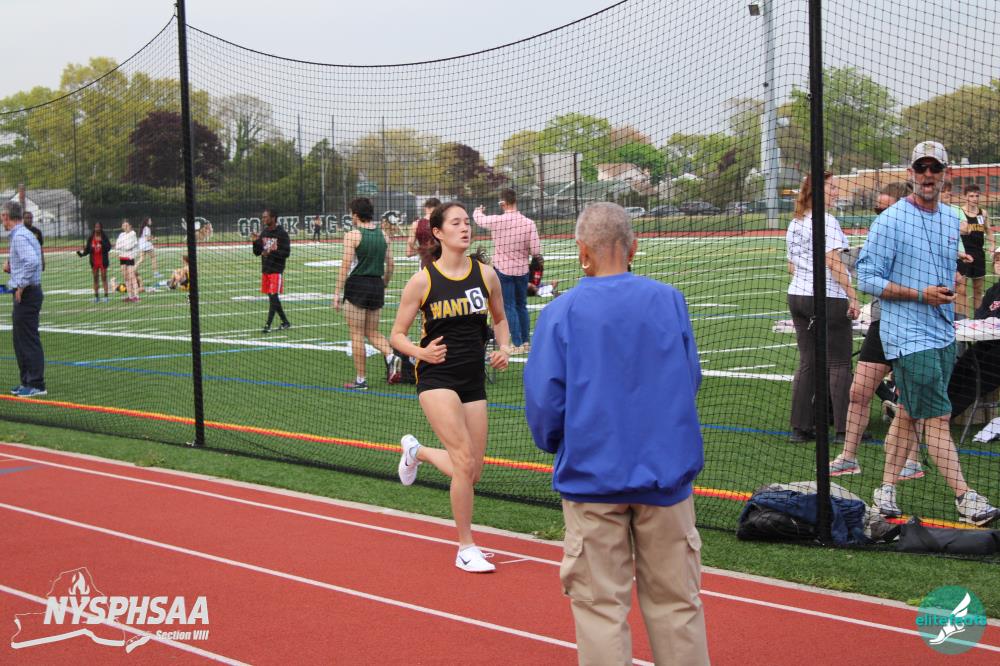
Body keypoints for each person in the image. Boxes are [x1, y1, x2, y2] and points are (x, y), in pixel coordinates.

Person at [524, 202, 709, 666]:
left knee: (600, 609)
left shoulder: (561, 312)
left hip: (592, 477)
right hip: (665, 476)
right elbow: (690, 378)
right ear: (633, 247)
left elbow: (546, 404)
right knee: (677, 606)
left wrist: (560, 443)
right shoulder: (668, 299)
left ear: (582, 251)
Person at [857, 140, 1000, 526]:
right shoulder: (890, 220)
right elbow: (867, 278)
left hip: (942, 331)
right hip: (906, 335)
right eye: (920, 167)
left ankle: (885, 490)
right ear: (911, 173)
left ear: (945, 174)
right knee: (937, 416)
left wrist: (954, 266)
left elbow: (941, 260)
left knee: (907, 412)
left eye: (934, 168)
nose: (927, 174)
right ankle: (965, 497)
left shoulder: (951, 217)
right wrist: (921, 294)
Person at [390, 201, 513, 573]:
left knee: (473, 472)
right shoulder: (423, 280)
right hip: (436, 377)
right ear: (438, 233)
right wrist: (421, 352)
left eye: (466, 222)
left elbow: (500, 319)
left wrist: (504, 348)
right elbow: (397, 335)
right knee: (462, 460)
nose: (464, 228)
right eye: (455, 223)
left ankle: (417, 452)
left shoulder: (486, 275)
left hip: (472, 378)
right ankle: (466, 547)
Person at [830, 182, 923, 479]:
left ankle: (913, 460)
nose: (879, 214)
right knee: (859, 391)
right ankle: (848, 457)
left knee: (910, 398)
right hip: (881, 321)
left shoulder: (919, 234)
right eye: (877, 209)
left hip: (912, 324)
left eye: (885, 208)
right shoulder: (878, 235)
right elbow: (859, 267)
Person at [785, 171, 860, 442]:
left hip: (798, 294)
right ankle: (845, 429)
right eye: (832, 187)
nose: (837, 192)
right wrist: (853, 295)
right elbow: (833, 261)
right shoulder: (827, 221)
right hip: (827, 296)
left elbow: (791, 265)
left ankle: (801, 427)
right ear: (818, 190)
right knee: (839, 361)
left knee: (808, 361)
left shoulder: (795, 222)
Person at [332, 197, 401, 389]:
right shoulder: (384, 235)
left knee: (356, 334)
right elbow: (391, 265)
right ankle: (391, 355)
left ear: (355, 215)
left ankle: (361, 380)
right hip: (376, 285)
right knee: (372, 331)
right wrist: (384, 284)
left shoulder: (353, 235)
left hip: (357, 286)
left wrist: (336, 293)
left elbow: (345, 266)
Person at [473, 189, 540, 354]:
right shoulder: (529, 223)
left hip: (503, 270)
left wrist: (478, 210)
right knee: (522, 306)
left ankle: (517, 344)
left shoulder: (498, 221)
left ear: (502, 203)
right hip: (522, 270)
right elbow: (536, 251)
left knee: (509, 307)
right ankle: (526, 342)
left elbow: (479, 220)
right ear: (515, 201)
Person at [948, 248, 1000, 419]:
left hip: (997, 350)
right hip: (987, 343)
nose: (999, 264)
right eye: (997, 260)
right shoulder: (993, 291)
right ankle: (933, 415)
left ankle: (944, 418)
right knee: (961, 367)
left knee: (975, 382)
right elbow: (979, 316)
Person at [2, 201, 46, 397]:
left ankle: (36, 384)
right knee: (20, 339)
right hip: (27, 293)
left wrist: (20, 284)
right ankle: (26, 381)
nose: (1, 220)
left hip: (27, 294)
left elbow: (33, 261)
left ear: (7, 217)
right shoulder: (23, 235)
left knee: (27, 339)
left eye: (2, 216)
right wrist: (11, 266)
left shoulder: (20, 236)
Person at [955, 184, 993, 319]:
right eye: (971, 196)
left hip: (979, 255)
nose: (974, 198)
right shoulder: (959, 212)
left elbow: (989, 231)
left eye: (977, 196)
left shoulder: (983, 213)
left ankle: (979, 319)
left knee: (978, 290)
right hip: (963, 255)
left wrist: (992, 245)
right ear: (965, 197)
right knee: (961, 290)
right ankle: (963, 321)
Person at [251, 207, 291, 333]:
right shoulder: (264, 232)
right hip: (266, 269)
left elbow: (286, 253)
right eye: (263, 217)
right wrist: (255, 242)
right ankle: (285, 322)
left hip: (276, 270)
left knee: (273, 297)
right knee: (273, 299)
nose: (263, 219)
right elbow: (257, 252)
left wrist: (270, 252)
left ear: (273, 218)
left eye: (265, 217)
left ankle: (268, 325)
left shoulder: (282, 233)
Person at [76, 222, 112, 303]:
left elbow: (109, 248)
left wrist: (101, 242)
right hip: (94, 262)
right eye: (96, 227)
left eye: (98, 227)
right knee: (95, 279)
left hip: (103, 261)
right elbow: (87, 249)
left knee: (104, 278)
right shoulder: (91, 237)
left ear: (101, 228)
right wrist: (81, 254)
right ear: (94, 228)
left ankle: (106, 297)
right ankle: (96, 297)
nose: (97, 228)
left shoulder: (104, 237)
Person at [406, 197, 440, 269]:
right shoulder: (442, 223)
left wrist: (422, 251)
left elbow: (408, 251)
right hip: (441, 264)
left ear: (425, 208)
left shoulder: (416, 224)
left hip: (425, 265)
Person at [114, 219, 140, 302]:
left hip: (130, 257)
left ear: (130, 226)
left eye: (126, 225)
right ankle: (130, 296)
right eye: (123, 225)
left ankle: (136, 296)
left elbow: (128, 246)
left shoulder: (133, 233)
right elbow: (117, 246)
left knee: (132, 277)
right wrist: (123, 245)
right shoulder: (121, 235)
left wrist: (122, 245)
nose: (125, 227)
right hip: (122, 258)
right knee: (126, 277)